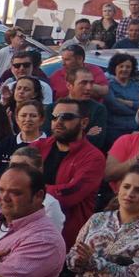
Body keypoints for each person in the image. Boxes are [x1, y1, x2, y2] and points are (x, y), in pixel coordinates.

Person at [34, 98, 106, 249]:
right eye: (54, 117)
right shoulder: (38, 147)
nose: (58, 122)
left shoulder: (93, 158)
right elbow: (14, 180)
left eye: (66, 117)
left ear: (84, 123)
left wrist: (30, 189)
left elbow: (69, 195)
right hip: (31, 230)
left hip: (67, 240)